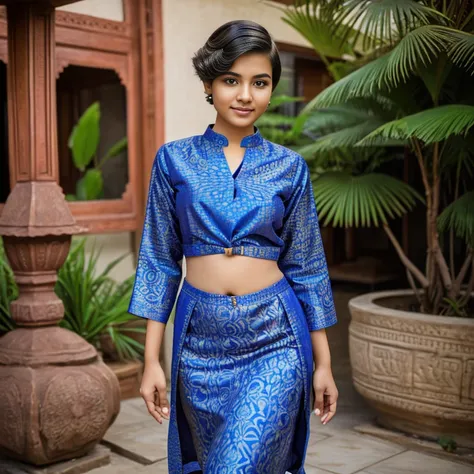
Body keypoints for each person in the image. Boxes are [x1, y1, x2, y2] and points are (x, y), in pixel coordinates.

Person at [128, 19, 339, 474]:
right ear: (209, 84)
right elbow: (159, 261)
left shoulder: (290, 167)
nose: (246, 95)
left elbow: (307, 267)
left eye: (259, 83)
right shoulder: (173, 160)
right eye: (231, 80)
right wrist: (151, 361)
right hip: (199, 345)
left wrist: (323, 363)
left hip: (275, 339)